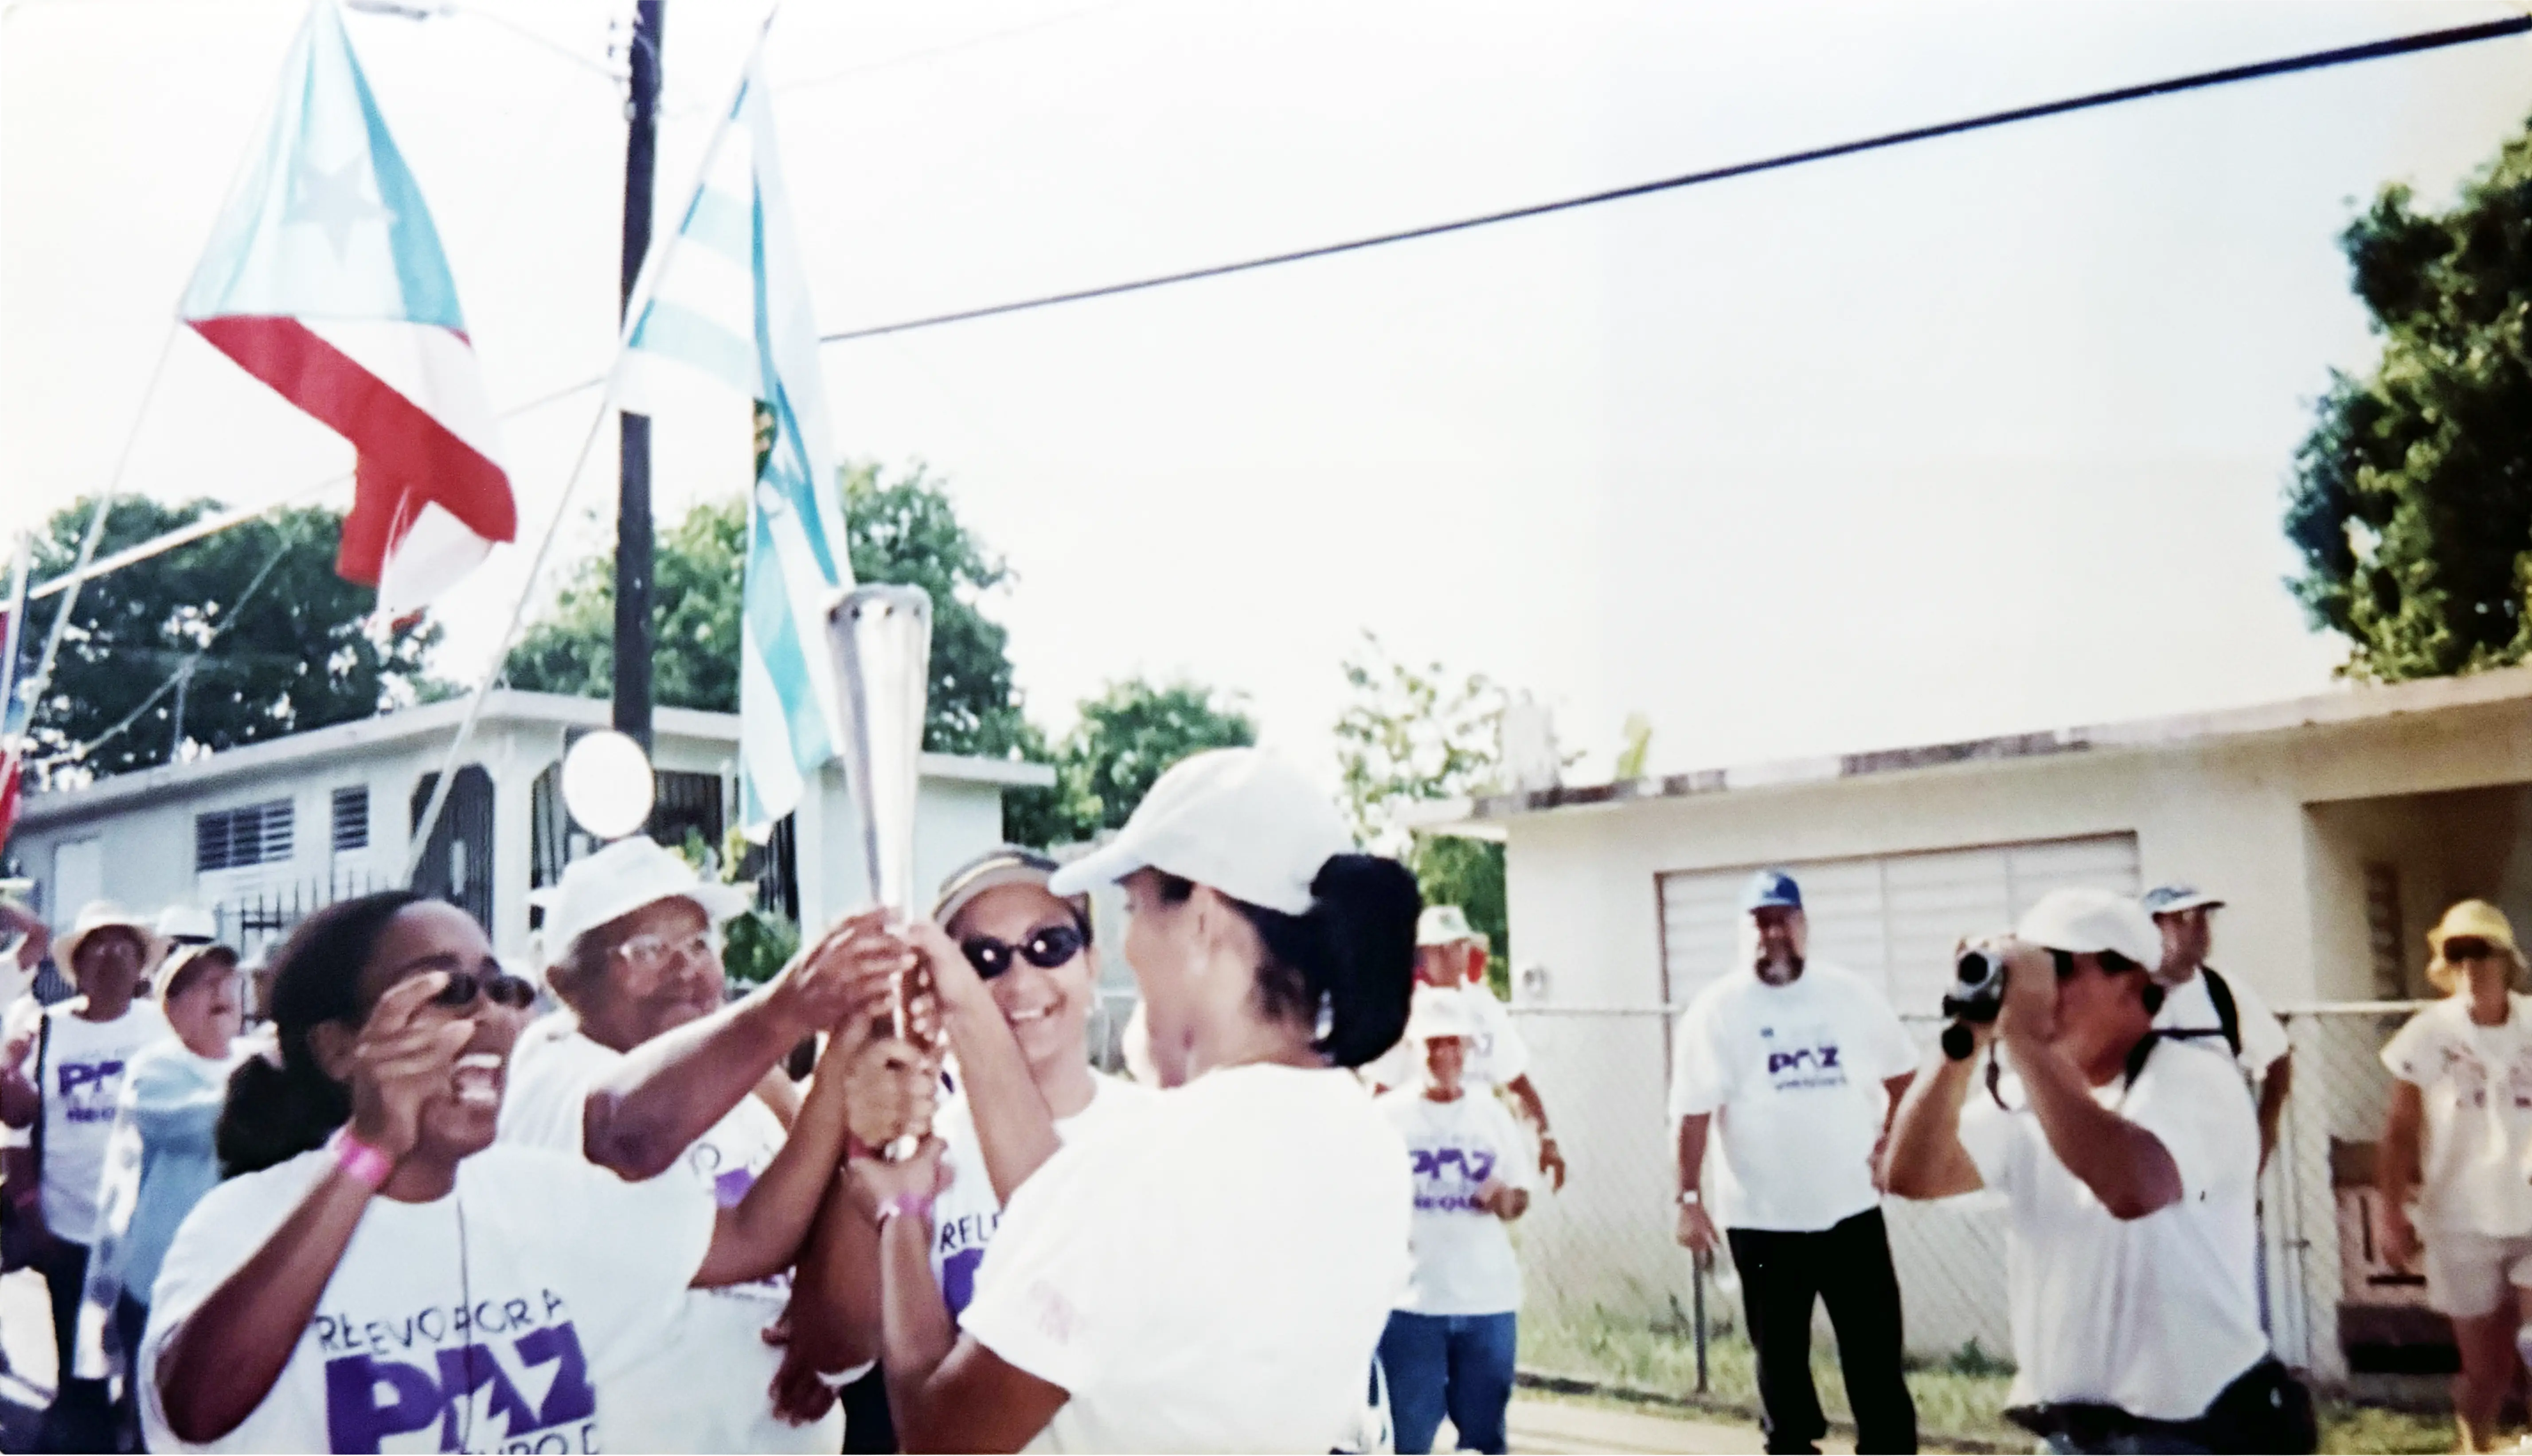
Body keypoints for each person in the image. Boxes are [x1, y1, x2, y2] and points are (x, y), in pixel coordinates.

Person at [135, 890, 891, 1456]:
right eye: (449, 991)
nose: (491, 1016)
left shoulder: (539, 1196)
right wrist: (371, 1148)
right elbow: (197, 1408)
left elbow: (758, 1237)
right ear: (339, 1049)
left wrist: (840, 1067)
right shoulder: (246, 1220)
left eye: (502, 989)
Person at [842, 747, 1418, 1454]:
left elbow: (941, 1435)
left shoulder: (1150, 1167)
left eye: (1133, 908)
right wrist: (967, 1006)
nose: (1129, 945)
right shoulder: (1363, 1136)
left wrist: (902, 1217)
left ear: (1203, 919)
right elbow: (1076, 1223)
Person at [497, 836, 898, 1456]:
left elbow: (837, 1200)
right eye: (649, 950)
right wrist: (789, 1007)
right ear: (564, 979)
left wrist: (823, 1328)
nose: (685, 969)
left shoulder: (755, 1083)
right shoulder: (550, 1070)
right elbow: (629, 1135)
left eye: (699, 944)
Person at [1882, 889, 2309, 1456]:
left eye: (2060, 968)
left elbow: (2132, 1186)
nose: (2041, 992)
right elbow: (1913, 1174)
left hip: (2192, 1432)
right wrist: (1967, 1033)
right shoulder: (2028, 1094)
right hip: (2071, 1437)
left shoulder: (2197, 1079)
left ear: (2134, 983)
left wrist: (2026, 1043)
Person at [775, 846, 1160, 1439]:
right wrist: (871, 1156)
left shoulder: (1157, 1136)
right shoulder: (920, 1150)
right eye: (983, 958)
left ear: (1092, 963)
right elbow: (833, 1354)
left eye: (1048, 946)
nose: (1020, 979)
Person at [1669, 868, 1919, 1456]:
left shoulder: (1848, 994)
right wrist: (1687, 1198)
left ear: (1804, 925)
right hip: (1762, 1224)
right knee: (1781, 1373)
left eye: (1784, 919)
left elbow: (1906, 1075)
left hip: (1851, 1212)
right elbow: (1692, 1113)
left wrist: (1892, 1140)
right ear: (1744, 931)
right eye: (1761, 921)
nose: (1773, 932)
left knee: (1877, 1362)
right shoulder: (1718, 1010)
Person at [0, 902, 171, 1452]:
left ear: (143, 963)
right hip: (70, 1227)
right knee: (82, 1371)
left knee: (150, 1358)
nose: (112, 954)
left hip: (149, 1229)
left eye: (125, 943)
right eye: (98, 944)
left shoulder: (165, 1029)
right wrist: (31, 1210)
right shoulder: (44, 1031)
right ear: (79, 965)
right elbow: (19, 1125)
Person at [2374, 900, 2532, 1454]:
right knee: (2485, 1372)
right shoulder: (2429, 1032)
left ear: (2506, 959)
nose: (2471, 963)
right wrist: (2392, 1216)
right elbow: (2398, 1131)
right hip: (2461, 1220)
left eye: (2481, 950)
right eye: (2457, 952)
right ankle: (2477, 1444)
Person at [71, 941, 248, 1426]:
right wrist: (272, 1090)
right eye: (202, 984)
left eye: (228, 981)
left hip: (243, 1273)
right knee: (161, 1411)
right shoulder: (155, 1069)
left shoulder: (258, 1062)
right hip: (165, 1275)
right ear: (170, 1009)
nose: (221, 991)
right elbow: (191, 1127)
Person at [1377, 992, 1531, 1456]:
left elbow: (1521, 1195)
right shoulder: (1387, 1119)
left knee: (1484, 1439)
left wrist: (1504, 1199)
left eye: (1454, 1044)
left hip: (1487, 1302)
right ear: (1414, 1049)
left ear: (1468, 1049)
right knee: (1408, 1438)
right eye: (1433, 1044)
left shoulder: (1491, 1115)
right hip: (1412, 1305)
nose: (1444, 1055)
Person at [1366, 906, 1566, 1190]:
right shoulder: (1403, 1009)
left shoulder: (1484, 1007)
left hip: (1476, 1145)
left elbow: (1516, 1082)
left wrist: (1545, 1138)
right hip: (1418, 1148)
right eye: (1441, 948)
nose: (1452, 956)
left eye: (1459, 946)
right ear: (1424, 953)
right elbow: (1380, 1089)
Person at [2140, 884, 2293, 1167]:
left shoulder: (2222, 991)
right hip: (2146, 1161)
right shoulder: (2122, 993)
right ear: (2151, 927)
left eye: (2205, 917)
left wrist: (2262, 1137)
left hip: (2219, 1164)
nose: (2200, 929)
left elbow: (2278, 1058)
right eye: (2185, 919)